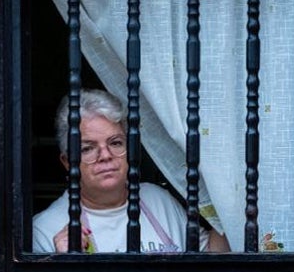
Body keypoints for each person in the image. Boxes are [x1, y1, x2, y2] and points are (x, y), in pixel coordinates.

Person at [32, 90, 230, 253]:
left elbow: (207, 256)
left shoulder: (157, 199)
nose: (106, 155)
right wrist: (63, 266)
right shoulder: (45, 229)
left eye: (115, 143)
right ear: (67, 162)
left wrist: (236, 204)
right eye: (88, 148)